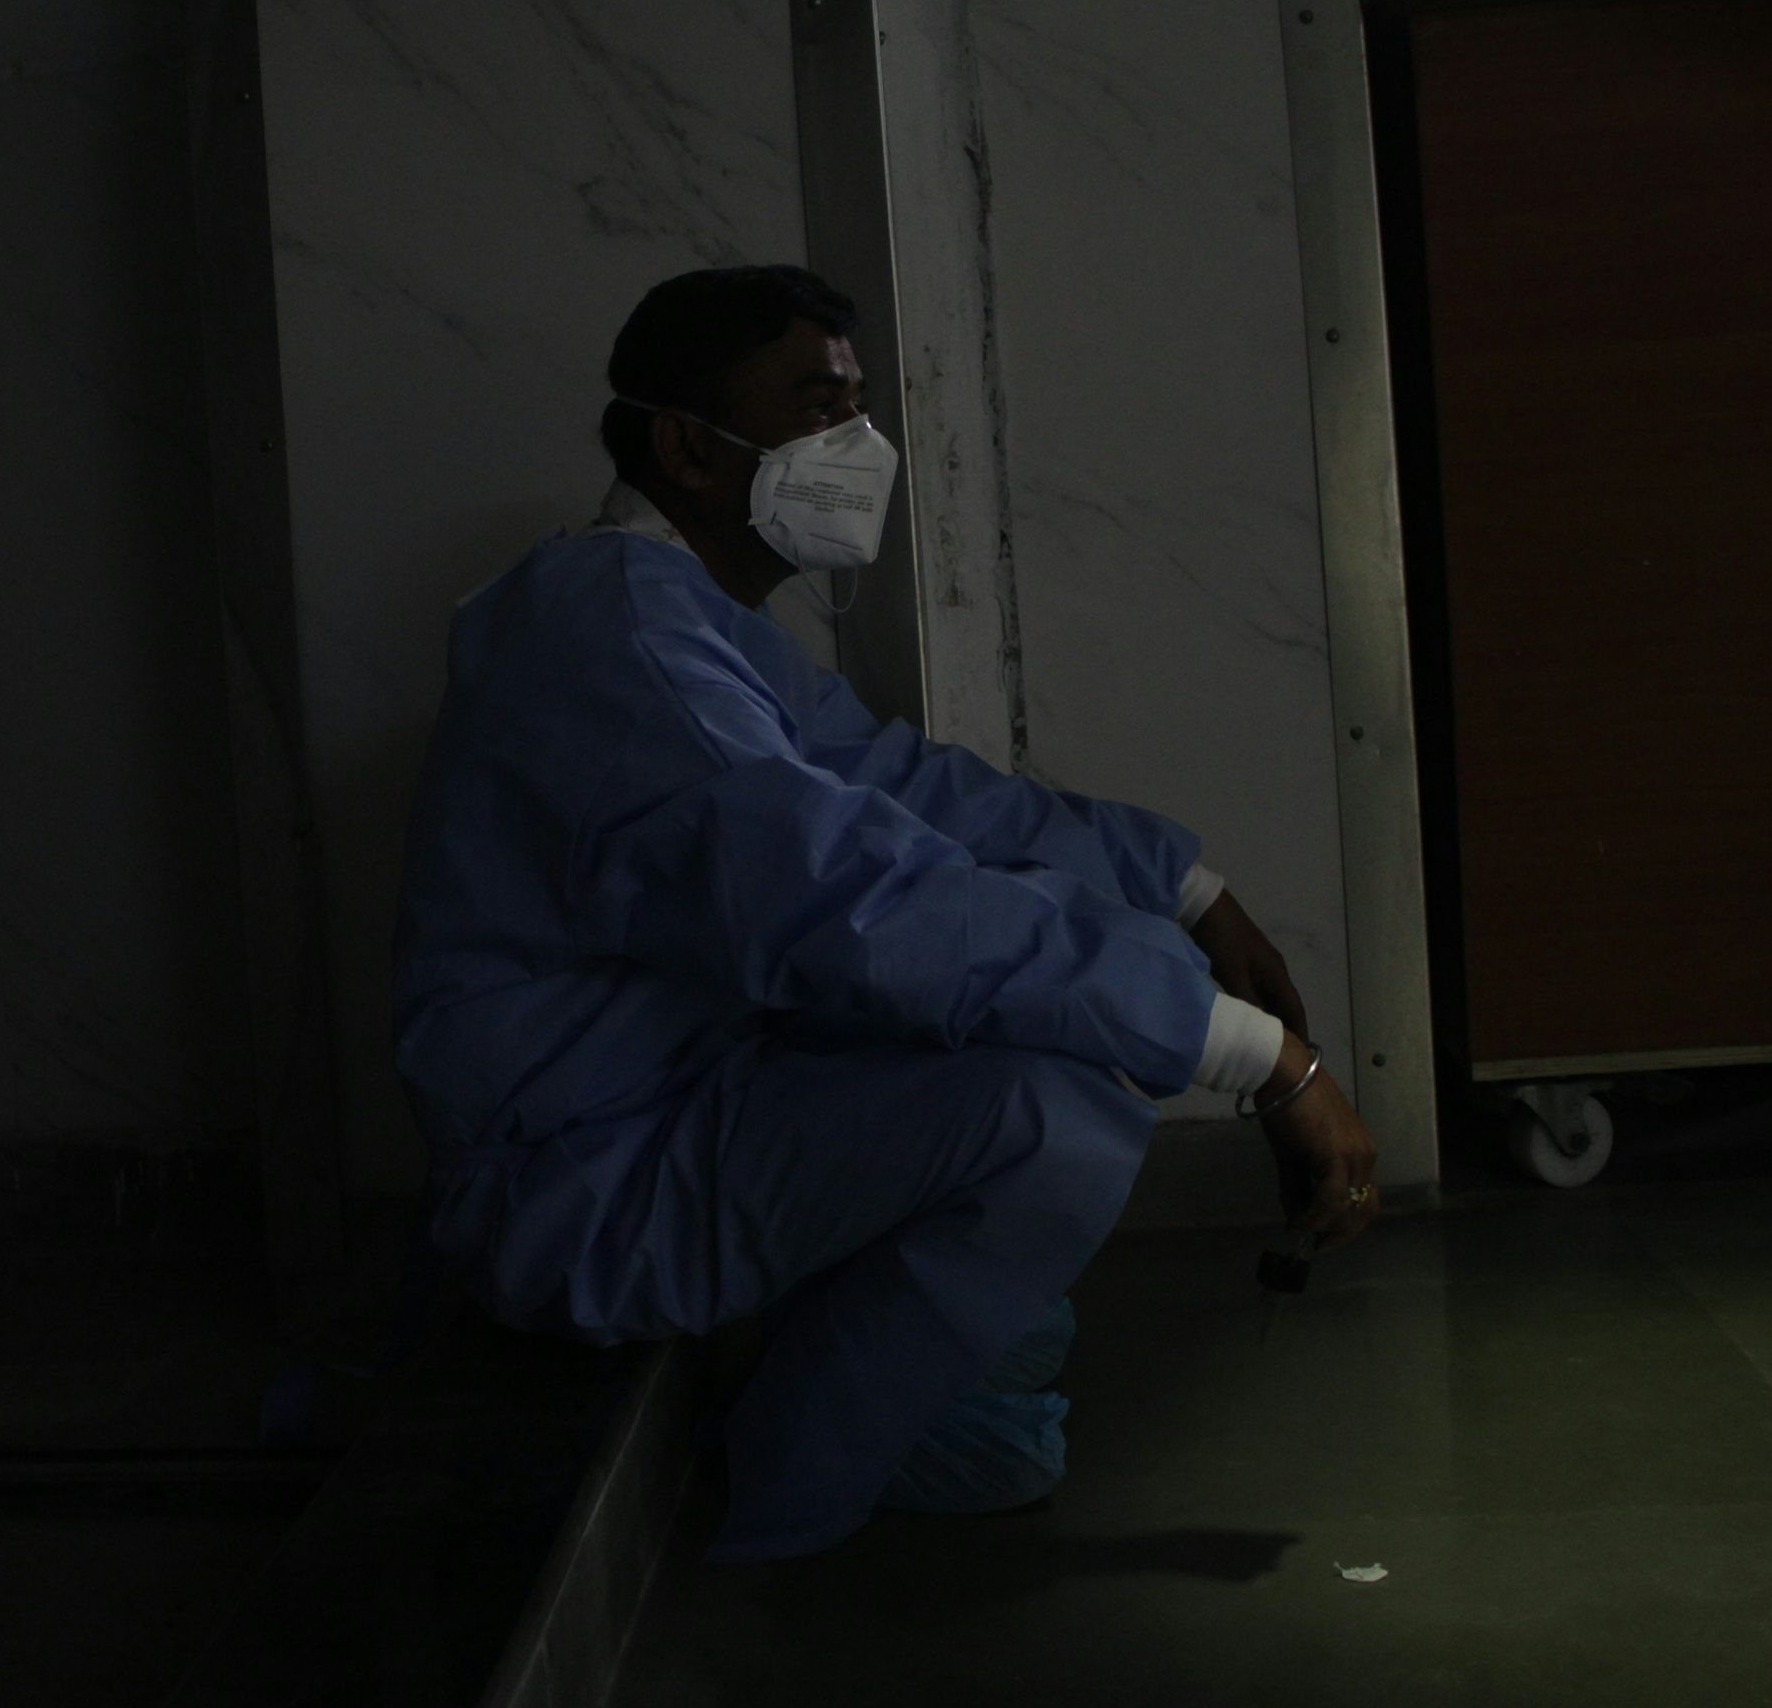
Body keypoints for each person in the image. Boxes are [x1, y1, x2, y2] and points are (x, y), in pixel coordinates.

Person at [391, 264, 1380, 1562]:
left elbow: (910, 794)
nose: (858, 448)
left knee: (1077, 1010)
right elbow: (857, 903)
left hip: (688, 1100)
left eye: (857, 409)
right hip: (588, 1183)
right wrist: (1263, 1060)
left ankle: (855, 1381)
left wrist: (1186, 891)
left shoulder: (679, 616)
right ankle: (774, 1505)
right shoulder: (625, 644)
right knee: (1054, 1108)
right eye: (817, 410)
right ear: (689, 447)